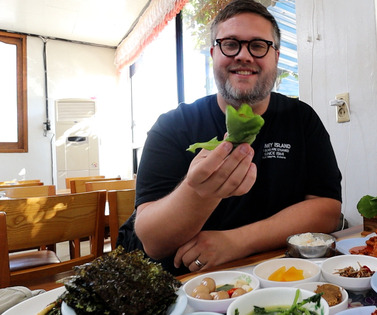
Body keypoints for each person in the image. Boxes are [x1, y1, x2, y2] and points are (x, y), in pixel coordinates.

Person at [117, 0, 342, 276]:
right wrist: (197, 192)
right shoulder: (173, 126)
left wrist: (237, 242)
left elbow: (328, 210)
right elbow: (153, 241)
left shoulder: (302, 118)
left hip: (284, 275)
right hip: (191, 284)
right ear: (213, 53)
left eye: (258, 46)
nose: (244, 56)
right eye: (230, 44)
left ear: (276, 57)